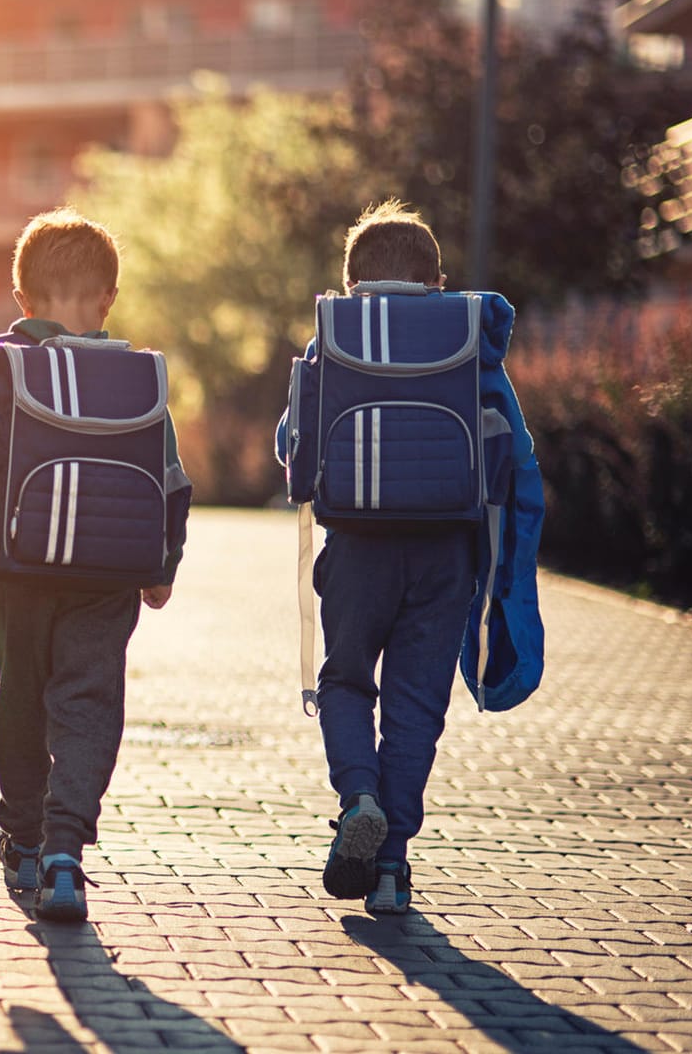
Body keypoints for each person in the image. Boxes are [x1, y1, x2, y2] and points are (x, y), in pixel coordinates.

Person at [280, 200, 540, 915]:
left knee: (345, 682)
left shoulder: (331, 341)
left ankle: (356, 793)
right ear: (439, 281)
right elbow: (514, 458)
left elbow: (291, 444)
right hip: (444, 555)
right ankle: (392, 866)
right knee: (416, 708)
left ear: (350, 283)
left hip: (357, 549)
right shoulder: (467, 345)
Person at [0, 208, 186, 922]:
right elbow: (169, 476)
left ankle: (20, 836)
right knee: (88, 704)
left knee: (19, 699)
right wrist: (162, 564)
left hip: (17, 570)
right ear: (110, 297)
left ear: (23, 301)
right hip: (108, 577)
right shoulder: (139, 376)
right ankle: (64, 850)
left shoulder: (1, 363)